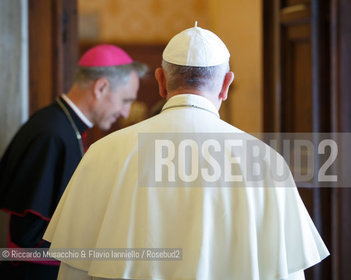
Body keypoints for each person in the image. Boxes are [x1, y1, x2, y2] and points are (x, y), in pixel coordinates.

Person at [44, 23, 329, 280]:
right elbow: (286, 273)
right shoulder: (265, 161)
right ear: (226, 84)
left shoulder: (103, 152)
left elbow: (74, 270)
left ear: (161, 81)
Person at [0, 44, 147, 279]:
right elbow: (29, 236)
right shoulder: (52, 134)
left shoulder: (65, 128)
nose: (125, 113)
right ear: (101, 87)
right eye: (125, 100)